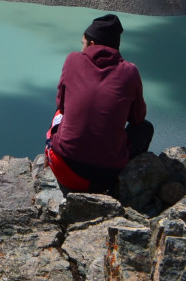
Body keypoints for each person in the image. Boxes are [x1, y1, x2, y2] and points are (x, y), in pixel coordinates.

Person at [45, 13, 153, 193]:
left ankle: (47, 163)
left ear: (92, 44)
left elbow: (61, 104)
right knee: (145, 128)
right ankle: (124, 186)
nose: (81, 49)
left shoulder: (72, 60)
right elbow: (138, 118)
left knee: (59, 115)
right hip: (107, 177)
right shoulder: (130, 72)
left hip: (65, 170)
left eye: (83, 43)